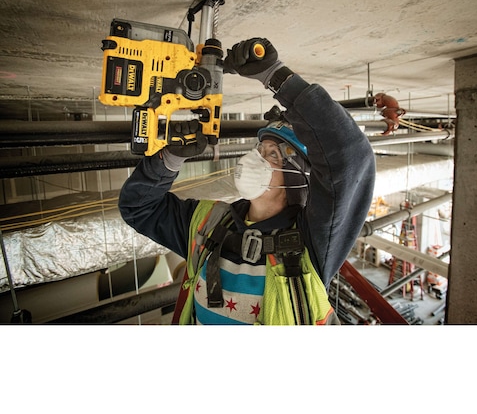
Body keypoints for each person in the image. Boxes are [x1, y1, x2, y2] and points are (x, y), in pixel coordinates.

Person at [118, 38, 376, 325]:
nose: (255, 159)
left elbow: (351, 156)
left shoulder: (312, 245)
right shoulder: (208, 224)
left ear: (296, 177)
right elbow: (139, 208)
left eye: (272, 154)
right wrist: (169, 159)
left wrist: (276, 76)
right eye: (259, 150)